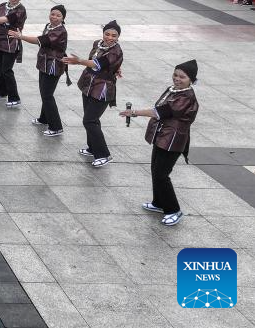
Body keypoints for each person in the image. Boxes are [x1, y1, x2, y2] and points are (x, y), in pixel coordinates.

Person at [119, 59, 199, 227]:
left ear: (191, 80)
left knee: (162, 174)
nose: (177, 79)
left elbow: (162, 111)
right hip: (162, 137)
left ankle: (173, 210)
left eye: (182, 77)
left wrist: (135, 112)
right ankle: (159, 203)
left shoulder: (186, 96)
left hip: (173, 140)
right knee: (156, 171)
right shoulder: (173, 90)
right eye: (175, 75)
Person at [63, 20, 124, 168]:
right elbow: (95, 60)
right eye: (107, 34)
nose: (109, 37)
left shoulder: (116, 51)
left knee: (89, 120)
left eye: (114, 35)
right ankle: (92, 147)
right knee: (91, 119)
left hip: (102, 89)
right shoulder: (97, 43)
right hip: (88, 85)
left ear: (118, 37)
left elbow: (97, 63)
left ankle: (103, 154)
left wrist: (79, 61)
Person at [10, 5, 69, 137]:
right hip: (45, 63)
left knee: (47, 95)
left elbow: (39, 41)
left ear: (63, 18)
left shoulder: (60, 31)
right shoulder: (49, 26)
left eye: (58, 15)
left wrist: (21, 36)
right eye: (53, 14)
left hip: (53, 65)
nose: (54, 17)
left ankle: (56, 127)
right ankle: (44, 118)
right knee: (44, 93)